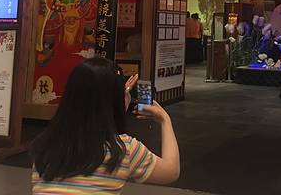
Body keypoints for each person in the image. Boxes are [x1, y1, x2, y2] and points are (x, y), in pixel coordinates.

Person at [31, 58, 180, 194]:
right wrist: (165, 120)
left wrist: (117, 100)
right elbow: (171, 171)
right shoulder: (123, 149)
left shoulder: (44, 146)